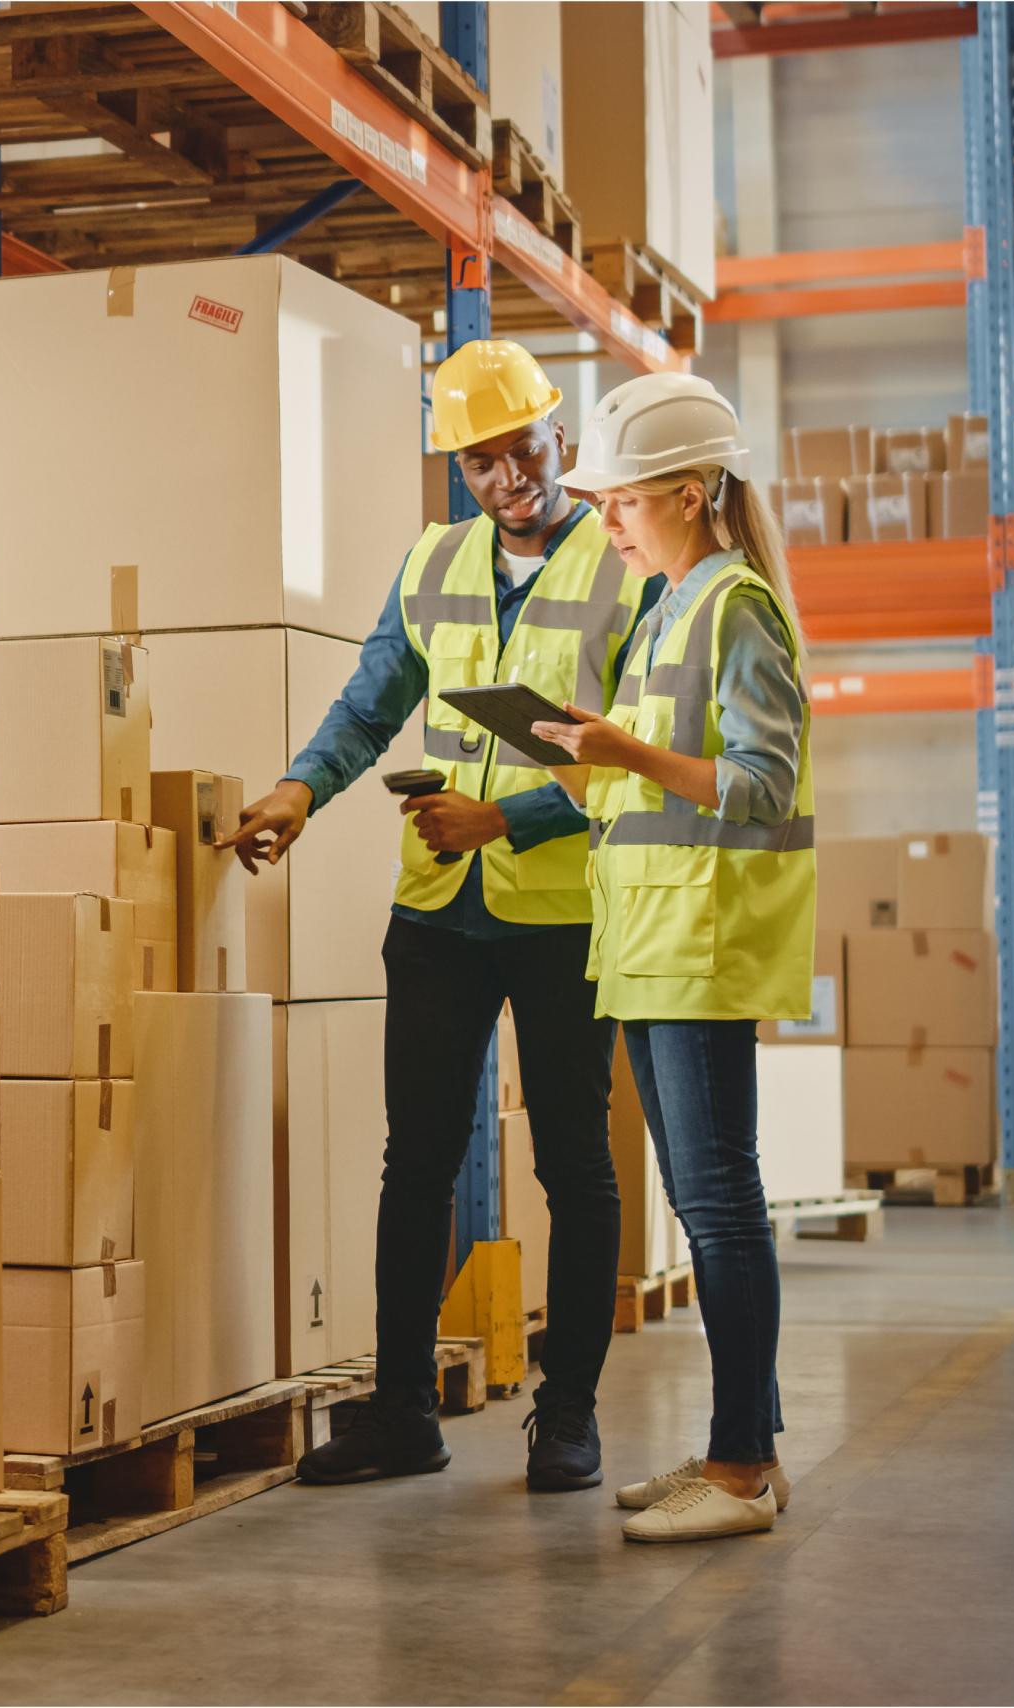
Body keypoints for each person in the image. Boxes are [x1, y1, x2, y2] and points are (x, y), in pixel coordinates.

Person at [221, 340, 660, 1491]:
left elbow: (641, 762)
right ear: (460, 470)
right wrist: (300, 788)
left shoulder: (623, 569)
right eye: (479, 459)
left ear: (557, 435)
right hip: (438, 915)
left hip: (562, 912)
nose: (507, 473)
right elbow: (372, 700)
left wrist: (507, 824)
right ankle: (403, 1410)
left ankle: (567, 1415)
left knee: (574, 1165)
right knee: (412, 1158)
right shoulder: (435, 562)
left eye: (521, 445)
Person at [531, 372, 814, 1543]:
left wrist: (627, 757)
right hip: (647, 944)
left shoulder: (733, 605)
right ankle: (734, 1448)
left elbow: (760, 783)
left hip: (701, 942)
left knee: (721, 1208)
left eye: (622, 503)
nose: (603, 524)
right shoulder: (662, 608)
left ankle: (744, 1469)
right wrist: (575, 762)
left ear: (692, 495)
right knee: (705, 1211)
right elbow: (645, 790)